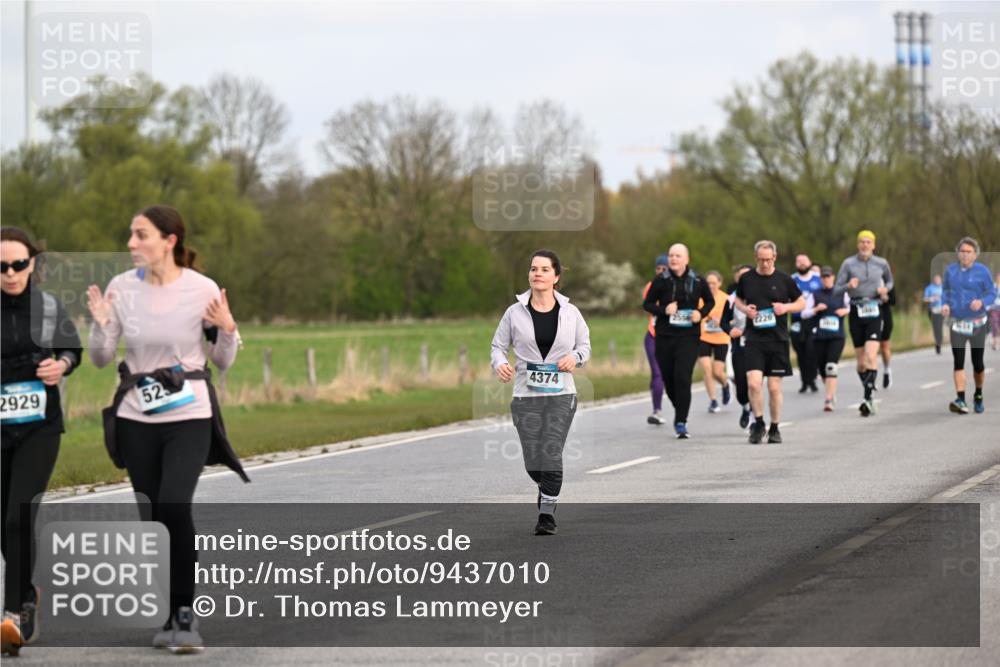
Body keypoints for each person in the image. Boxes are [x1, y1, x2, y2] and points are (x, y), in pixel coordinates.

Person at [87, 205, 248, 653]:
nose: (131, 244)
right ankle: (167, 615)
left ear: (169, 241)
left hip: (189, 415)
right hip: (136, 417)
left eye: (140, 235)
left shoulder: (203, 289)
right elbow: (101, 358)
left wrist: (228, 328)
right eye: (131, 235)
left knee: (174, 505)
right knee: (153, 519)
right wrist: (100, 327)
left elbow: (222, 361)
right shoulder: (121, 288)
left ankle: (184, 615)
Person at [1, 228, 82, 657]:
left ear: (33, 265)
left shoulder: (49, 306)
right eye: (2, 267)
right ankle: (28, 587)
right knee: (3, 523)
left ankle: (15, 612)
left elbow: (73, 349)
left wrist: (62, 365)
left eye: (19, 265)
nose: (11, 274)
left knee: (18, 516)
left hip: (39, 426)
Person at [491, 250, 590, 535]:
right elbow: (498, 346)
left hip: (562, 394)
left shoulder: (570, 313)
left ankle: (547, 511)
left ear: (556, 277)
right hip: (526, 394)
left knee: (551, 450)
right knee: (534, 461)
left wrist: (575, 358)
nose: (537, 273)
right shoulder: (514, 312)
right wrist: (500, 364)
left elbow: (585, 346)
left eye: (544, 269)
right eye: (534, 269)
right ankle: (545, 485)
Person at [734, 241, 805, 444]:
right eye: (761, 259)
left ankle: (774, 428)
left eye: (768, 259)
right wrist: (745, 310)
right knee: (754, 384)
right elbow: (738, 300)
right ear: (756, 258)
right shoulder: (747, 279)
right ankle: (758, 423)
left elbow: (802, 303)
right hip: (754, 339)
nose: (764, 264)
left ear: (774, 257)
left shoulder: (784, 279)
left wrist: (786, 307)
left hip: (778, 340)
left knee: (774, 388)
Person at [642, 243, 714, 439]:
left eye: (678, 256)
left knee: (683, 377)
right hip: (664, 337)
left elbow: (710, 302)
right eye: (671, 256)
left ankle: (681, 421)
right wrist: (664, 310)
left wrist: (700, 313)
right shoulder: (660, 281)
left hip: (689, 337)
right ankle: (679, 407)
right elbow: (647, 304)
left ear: (686, 259)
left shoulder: (698, 280)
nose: (673, 259)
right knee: (668, 379)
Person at [834, 230, 893, 417]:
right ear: (857, 245)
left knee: (870, 355)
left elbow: (890, 282)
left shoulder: (882, 263)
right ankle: (869, 390)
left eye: (868, 242)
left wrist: (885, 289)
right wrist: (848, 286)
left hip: (875, 309)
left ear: (874, 245)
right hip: (856, 310)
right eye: (862, 242)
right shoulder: (848, 264)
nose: (865, 245)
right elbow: (836, 289)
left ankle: (868, 398)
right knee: (861, 363)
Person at [941, 237, 997, 414]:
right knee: (958, 361)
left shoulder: (983, 272)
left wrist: (981, 302)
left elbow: (992, 294)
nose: (965, 255)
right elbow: (945, 291)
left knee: (977, 363)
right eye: (962, 251)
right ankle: (961, 399)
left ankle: (978, 394)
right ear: (957, 253)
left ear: (975, 255)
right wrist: (945, 304)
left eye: (968, 252)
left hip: (978, 323)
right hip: (957, 323)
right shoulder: (950, 271)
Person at [802, 266, 850, 411]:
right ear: (821, 279)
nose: (826, 279)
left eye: (828, 277)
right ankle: (831, 391)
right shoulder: (815, 294)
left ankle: (828, 399)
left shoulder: (842, 293)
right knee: (823, 371)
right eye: (823, 277)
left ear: (833, 277)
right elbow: (804, 313)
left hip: (837, 336)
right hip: (820, 337)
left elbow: (851, 307)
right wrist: (816, 310)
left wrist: (845, 311)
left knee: (831, 367)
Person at [720, 264, 754, 428]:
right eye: (741, 276)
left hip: (758, 345)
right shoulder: (732, 298)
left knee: (754, 383)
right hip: (739, 345)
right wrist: (730, 330)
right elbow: (723, 322)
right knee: (741, 385)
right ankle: (746, 407)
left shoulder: (763, 295)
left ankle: (757, 417)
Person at [697, 270, 731, 413]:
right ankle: (713, 401)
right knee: (706, 369)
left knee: (717, 371)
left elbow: (733, 318)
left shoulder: (726, 299)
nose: (710, 285)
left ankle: (725, 384)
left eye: (713, 283)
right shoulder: (700, 298)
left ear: (720, 283)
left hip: (721, 337)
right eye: (708, 283)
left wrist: (722, 322)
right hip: (704, 337)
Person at [642, 255, 668, 425]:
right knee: (657, 373)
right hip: (652, 335)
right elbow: (648, 306)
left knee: (661, 375)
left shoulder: (677, 286)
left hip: (670, 338)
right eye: (658, 269)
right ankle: (657, 411)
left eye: (664, 269)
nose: (661, 271)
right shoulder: (650, 286)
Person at [790, 254, 821, 393]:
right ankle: (804, 381)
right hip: (797, 320)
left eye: (804, 262)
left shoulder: (817, 278)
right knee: (800, 351)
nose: (802, 264)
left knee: (811, 350)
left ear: (809, 262)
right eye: (799, 262)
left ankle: (812, 379)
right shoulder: (792, 279)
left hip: (813, 320)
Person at [879, 283, 897, 388]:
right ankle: (870, 378)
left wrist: (885, 298)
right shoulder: (866, 280)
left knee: (884, 346)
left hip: (885, 316)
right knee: (871, 347)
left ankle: (887, 369)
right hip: (870, 317)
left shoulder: (888, 283)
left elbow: (893, 301)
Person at [924, 274, 944, 354]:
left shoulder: (944, 288)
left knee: (940, 327)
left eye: (938, 279)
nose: (937, 281)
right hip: (933, 310)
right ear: (934, 280)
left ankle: (939, 343)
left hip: (941, 310)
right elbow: (925, 299)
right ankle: (937, 342)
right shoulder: (929, 288)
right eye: (936, 279)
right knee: (936, 328)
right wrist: (931, 299)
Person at [990, 271, 1000, 352]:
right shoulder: (993, 286)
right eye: (998, 277)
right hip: (994, 308)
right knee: (994, 324)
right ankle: (994, 342)